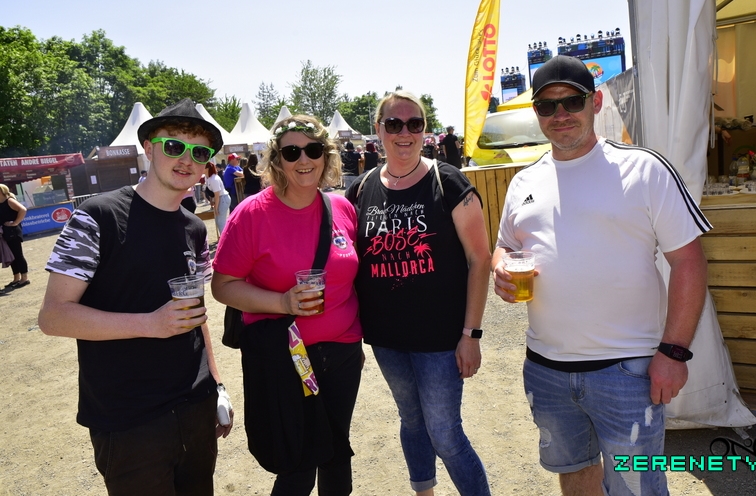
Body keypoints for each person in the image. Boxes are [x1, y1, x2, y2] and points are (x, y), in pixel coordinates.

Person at [491, 55, 710, 496]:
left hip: (627, 371)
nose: (560, 114)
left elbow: (690, 262)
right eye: (547, 106)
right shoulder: (524, 182)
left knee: (637, 488)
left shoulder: (645, 169)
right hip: (547, 369)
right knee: (574, 476)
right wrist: (500, 268)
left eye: (572, 101)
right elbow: (505, 246)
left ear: (596, 102)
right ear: (537, 113)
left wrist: (674, 353)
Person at [38, 98, 233, 495]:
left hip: (195, 406)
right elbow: (53, 316)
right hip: (128, 418)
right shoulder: (98, 216)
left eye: (199, 152)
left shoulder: (195, 229)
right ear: (149, 148)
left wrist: (216, 385)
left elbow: (195, 315)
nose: (187, 160)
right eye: (174, 146)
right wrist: (148, 324)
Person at [345, 91, 492, 496]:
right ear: (378, 131)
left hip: (441, 340)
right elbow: (347, 265)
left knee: (445, 432)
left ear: (425, 131)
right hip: (387, 339)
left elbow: (480, 259)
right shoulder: (361, 189)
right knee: (411, 421)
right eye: (394, 124)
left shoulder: (448, 181)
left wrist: (471, 334)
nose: (404, 133)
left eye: (414, 124)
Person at [211, 114, 362, 496]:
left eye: (313, 150)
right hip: (287, 357)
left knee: (337, 452)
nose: (304, 159)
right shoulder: (251, 214)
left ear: (326, 155)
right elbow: (223, 286)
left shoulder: (342, 208)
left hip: (343, 353)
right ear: (277, 160)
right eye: (292, 152)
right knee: (298, 463)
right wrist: (281, 301)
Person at [0, 183, 29, 290]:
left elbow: (23, 210)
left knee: (18, 255)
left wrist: (15, 222)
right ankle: (16, 278)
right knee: (11, 256)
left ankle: (24, 278)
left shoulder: (9, 201)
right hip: (5, 233)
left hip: (13, 232)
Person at [205, 161, 230, 236]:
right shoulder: (208, 178)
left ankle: (226, 239)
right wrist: (212, 201)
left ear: (207, 168)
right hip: (220, 198)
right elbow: (212, 193)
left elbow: (217, 194)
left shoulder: (214, 179)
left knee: (221, 222)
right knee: (218, 221)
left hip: (223, 198)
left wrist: (216, 208)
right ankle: (225, 238)